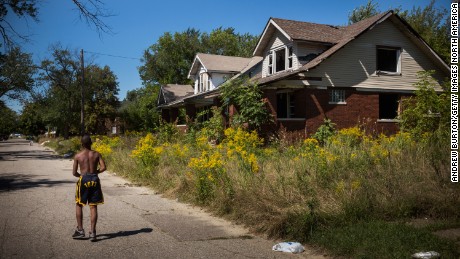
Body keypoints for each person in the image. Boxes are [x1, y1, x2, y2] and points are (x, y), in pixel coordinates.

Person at [72, 134, 106, 241]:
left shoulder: (78, 156)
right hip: (94, 179)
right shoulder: (96, 154)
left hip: (84, 179)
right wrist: (95, 173)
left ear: (82, 144)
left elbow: (74, 173)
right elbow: (104, 167)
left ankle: (80, 230)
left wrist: (82, 176)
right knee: (93, 206)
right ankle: (93, 232)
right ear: (91, 143)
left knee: (79, 204)